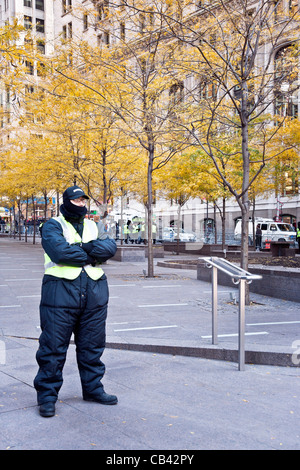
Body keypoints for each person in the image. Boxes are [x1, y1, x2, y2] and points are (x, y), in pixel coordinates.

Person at [34, 185, 118, 418]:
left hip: (95, 292)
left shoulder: (94, 224)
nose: (80, 204)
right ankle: (47, 397)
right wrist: (92, 254)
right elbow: (60, 253)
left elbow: (110, 247)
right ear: (66, 201)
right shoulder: (53, 225)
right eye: (76, 200)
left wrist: (81, 250)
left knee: (93, 346)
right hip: (59, 293)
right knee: (52, 347)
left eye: (83, 201)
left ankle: (93, 389)